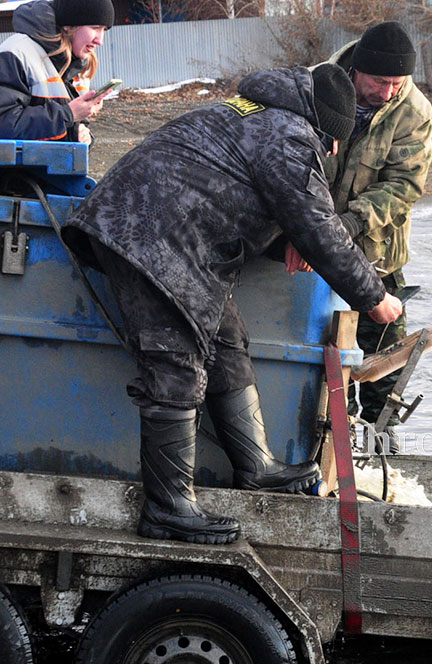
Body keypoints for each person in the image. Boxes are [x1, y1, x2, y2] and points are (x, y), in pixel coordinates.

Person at [61, 64, 403, 545]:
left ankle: (255, 465)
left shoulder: (257, 113)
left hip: (165, 233)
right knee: (175, 364)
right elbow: (320, 230)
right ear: (326, 128)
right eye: (333, 142)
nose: (330, 152)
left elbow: (234, 189)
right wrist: (375, 298)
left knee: (225, 337)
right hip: (151, 237)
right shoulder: (287, 135)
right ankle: (168, 508)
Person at [324, 21, 432, 453]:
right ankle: (322, 443)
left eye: (397, 82)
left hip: (377, 254)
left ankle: (378, 451)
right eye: (380, 82)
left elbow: (405, 185)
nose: (389, 92)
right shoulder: (322, 88)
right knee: (317, 355)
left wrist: (352, 222)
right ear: (357, 71)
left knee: (382, 364)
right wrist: (317, 230)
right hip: (310, 250)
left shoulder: (414, 111)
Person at [0, 0, 114, 144]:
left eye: (104, 30)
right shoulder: (16, 53)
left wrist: (80, 135)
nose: (100, 40)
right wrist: (68, 115)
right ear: (69, 26)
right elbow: (4, 125)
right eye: (95, 27)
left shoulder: (76, 66)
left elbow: (56, 135)